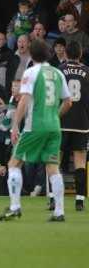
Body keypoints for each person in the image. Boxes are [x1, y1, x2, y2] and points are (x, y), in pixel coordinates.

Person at [0, 39, 72, 222]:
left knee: (14, 163)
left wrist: (15, 125)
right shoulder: (57, 73)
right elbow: (68, 102)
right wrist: (54, 116)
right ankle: (59, 212)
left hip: (35, 126)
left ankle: (15, 208)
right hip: (54, 126)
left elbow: (24, 100)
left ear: (31, 54)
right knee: (53, 168)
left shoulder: (31, 72)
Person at [58, 41, 89, 211]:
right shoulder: (87, 71)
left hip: (61, 120)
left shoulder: (60, 70)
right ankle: (79, 200)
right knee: (80, 162)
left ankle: (54, 199)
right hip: (81, 122)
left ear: (66, 54)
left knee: (55, 159)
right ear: (80, 55)